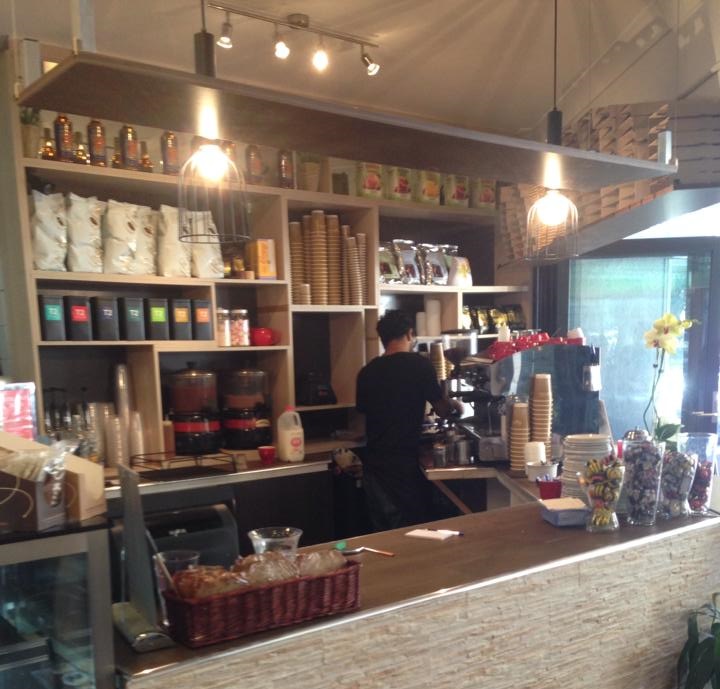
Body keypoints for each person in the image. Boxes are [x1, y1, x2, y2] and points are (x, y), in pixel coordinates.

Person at [356, 310, 462, 531]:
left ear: (383, 338)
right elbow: (441, 409)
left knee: (383, 532)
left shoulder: (366, 372)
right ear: (409, 334)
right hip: (403, 466)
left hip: (374, 466)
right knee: (410, 531)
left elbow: (367, 411)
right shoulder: (419, 365)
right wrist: (454, 405)